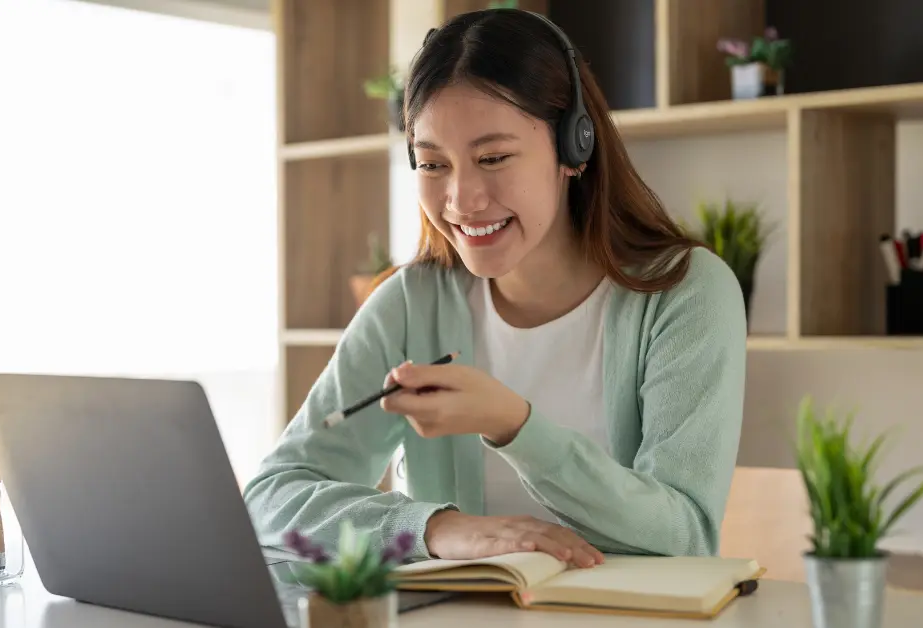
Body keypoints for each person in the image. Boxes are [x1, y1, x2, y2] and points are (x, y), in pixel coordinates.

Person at [243, 8, 746, 569]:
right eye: (433, 165)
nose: (461, 200)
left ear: (574, 148)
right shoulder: (411, 304)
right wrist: (434, 529)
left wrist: (514, 426)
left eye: (493, 158)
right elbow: (270, 498)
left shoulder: (686, 294)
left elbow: (685, 537)